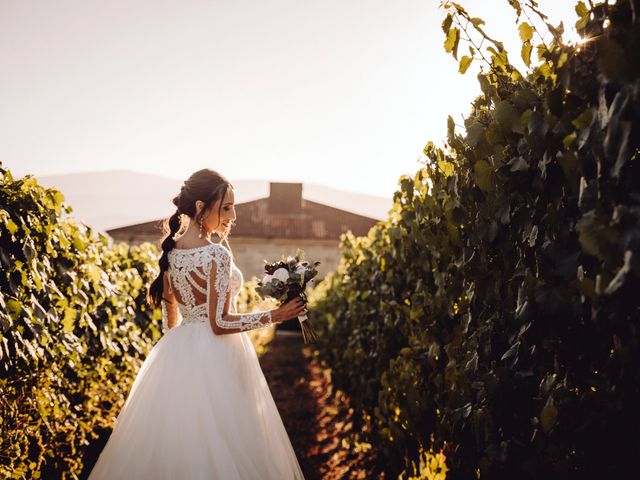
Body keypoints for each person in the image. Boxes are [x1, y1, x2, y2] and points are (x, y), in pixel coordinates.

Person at [89, 168, 306, 479]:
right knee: (229, 442)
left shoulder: (171, 249)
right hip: (219, 353)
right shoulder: (216, 255)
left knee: (181, 442)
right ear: (202, 206)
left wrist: (179, 355)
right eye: (227, 207)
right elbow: (219, 323)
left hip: (180, 352)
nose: (233, 215)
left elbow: (170, 310)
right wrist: (276, 315)